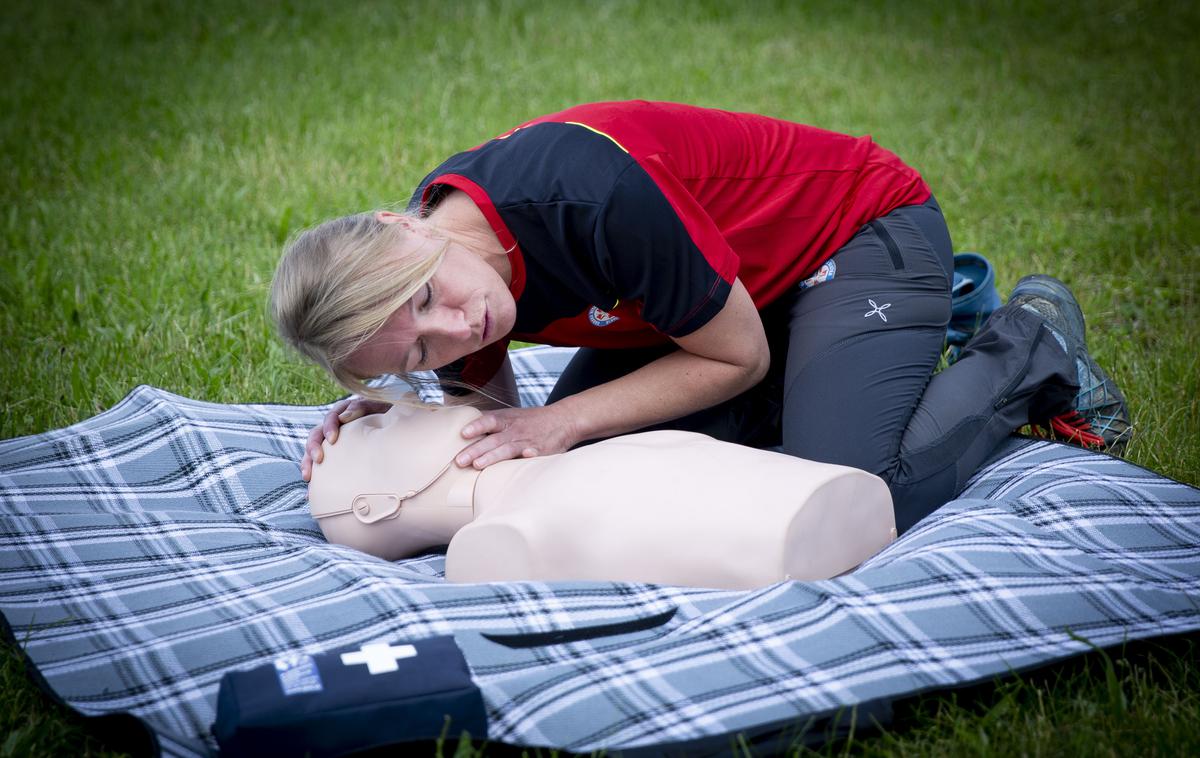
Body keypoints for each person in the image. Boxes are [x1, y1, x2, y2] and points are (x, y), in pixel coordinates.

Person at [271, 100, 1131, 534]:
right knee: (583, 478)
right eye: (418, 347)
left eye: (426, 299)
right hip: (728, 305)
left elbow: (735, 357)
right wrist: (408, 424)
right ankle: (839, 367)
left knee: (856, 491)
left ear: (399, 227)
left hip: (860, 232)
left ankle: (1029, 342)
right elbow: (493, 415)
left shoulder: (582, 194)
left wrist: (561, 417)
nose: (461, 332)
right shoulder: (447, 268)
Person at [306, 400, 896, 589]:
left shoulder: (561, 462)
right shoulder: (498, 540)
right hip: (800, 537)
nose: (405, 407)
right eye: (385, 427)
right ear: (376, 504)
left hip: (827, 499)